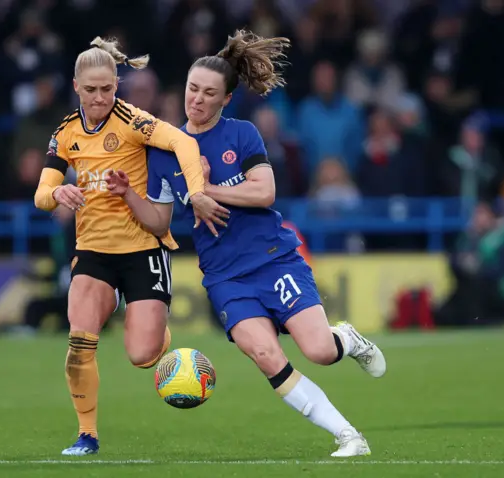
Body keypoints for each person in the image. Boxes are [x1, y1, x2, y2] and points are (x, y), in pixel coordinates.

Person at [106, 30, 387, 458]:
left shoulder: (242, 135)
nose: (197, 99)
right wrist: (129, 194)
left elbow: (264, 193)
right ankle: (349, 436)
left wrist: (206, 188)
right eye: (192, 89)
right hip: (224, 276)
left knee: (318, 351)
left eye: (208, 93)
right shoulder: (163, 152)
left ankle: (345, 340)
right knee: (265, 354)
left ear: (225, 100)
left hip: (272, 259)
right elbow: (160, 220)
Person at [34, 37, 228, 456]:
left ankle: (157, 334)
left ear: (117, 85)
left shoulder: (134, 121)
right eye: (91, 90)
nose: (101, 97)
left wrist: (196, 193)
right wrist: (58, 195)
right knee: (79, 341)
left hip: (143, 249)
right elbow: (41, 192)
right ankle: (87, 435)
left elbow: (184, 143)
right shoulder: (65, 133)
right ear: (76, 86)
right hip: (93, 252)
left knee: (142, 356)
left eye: (107, 88)